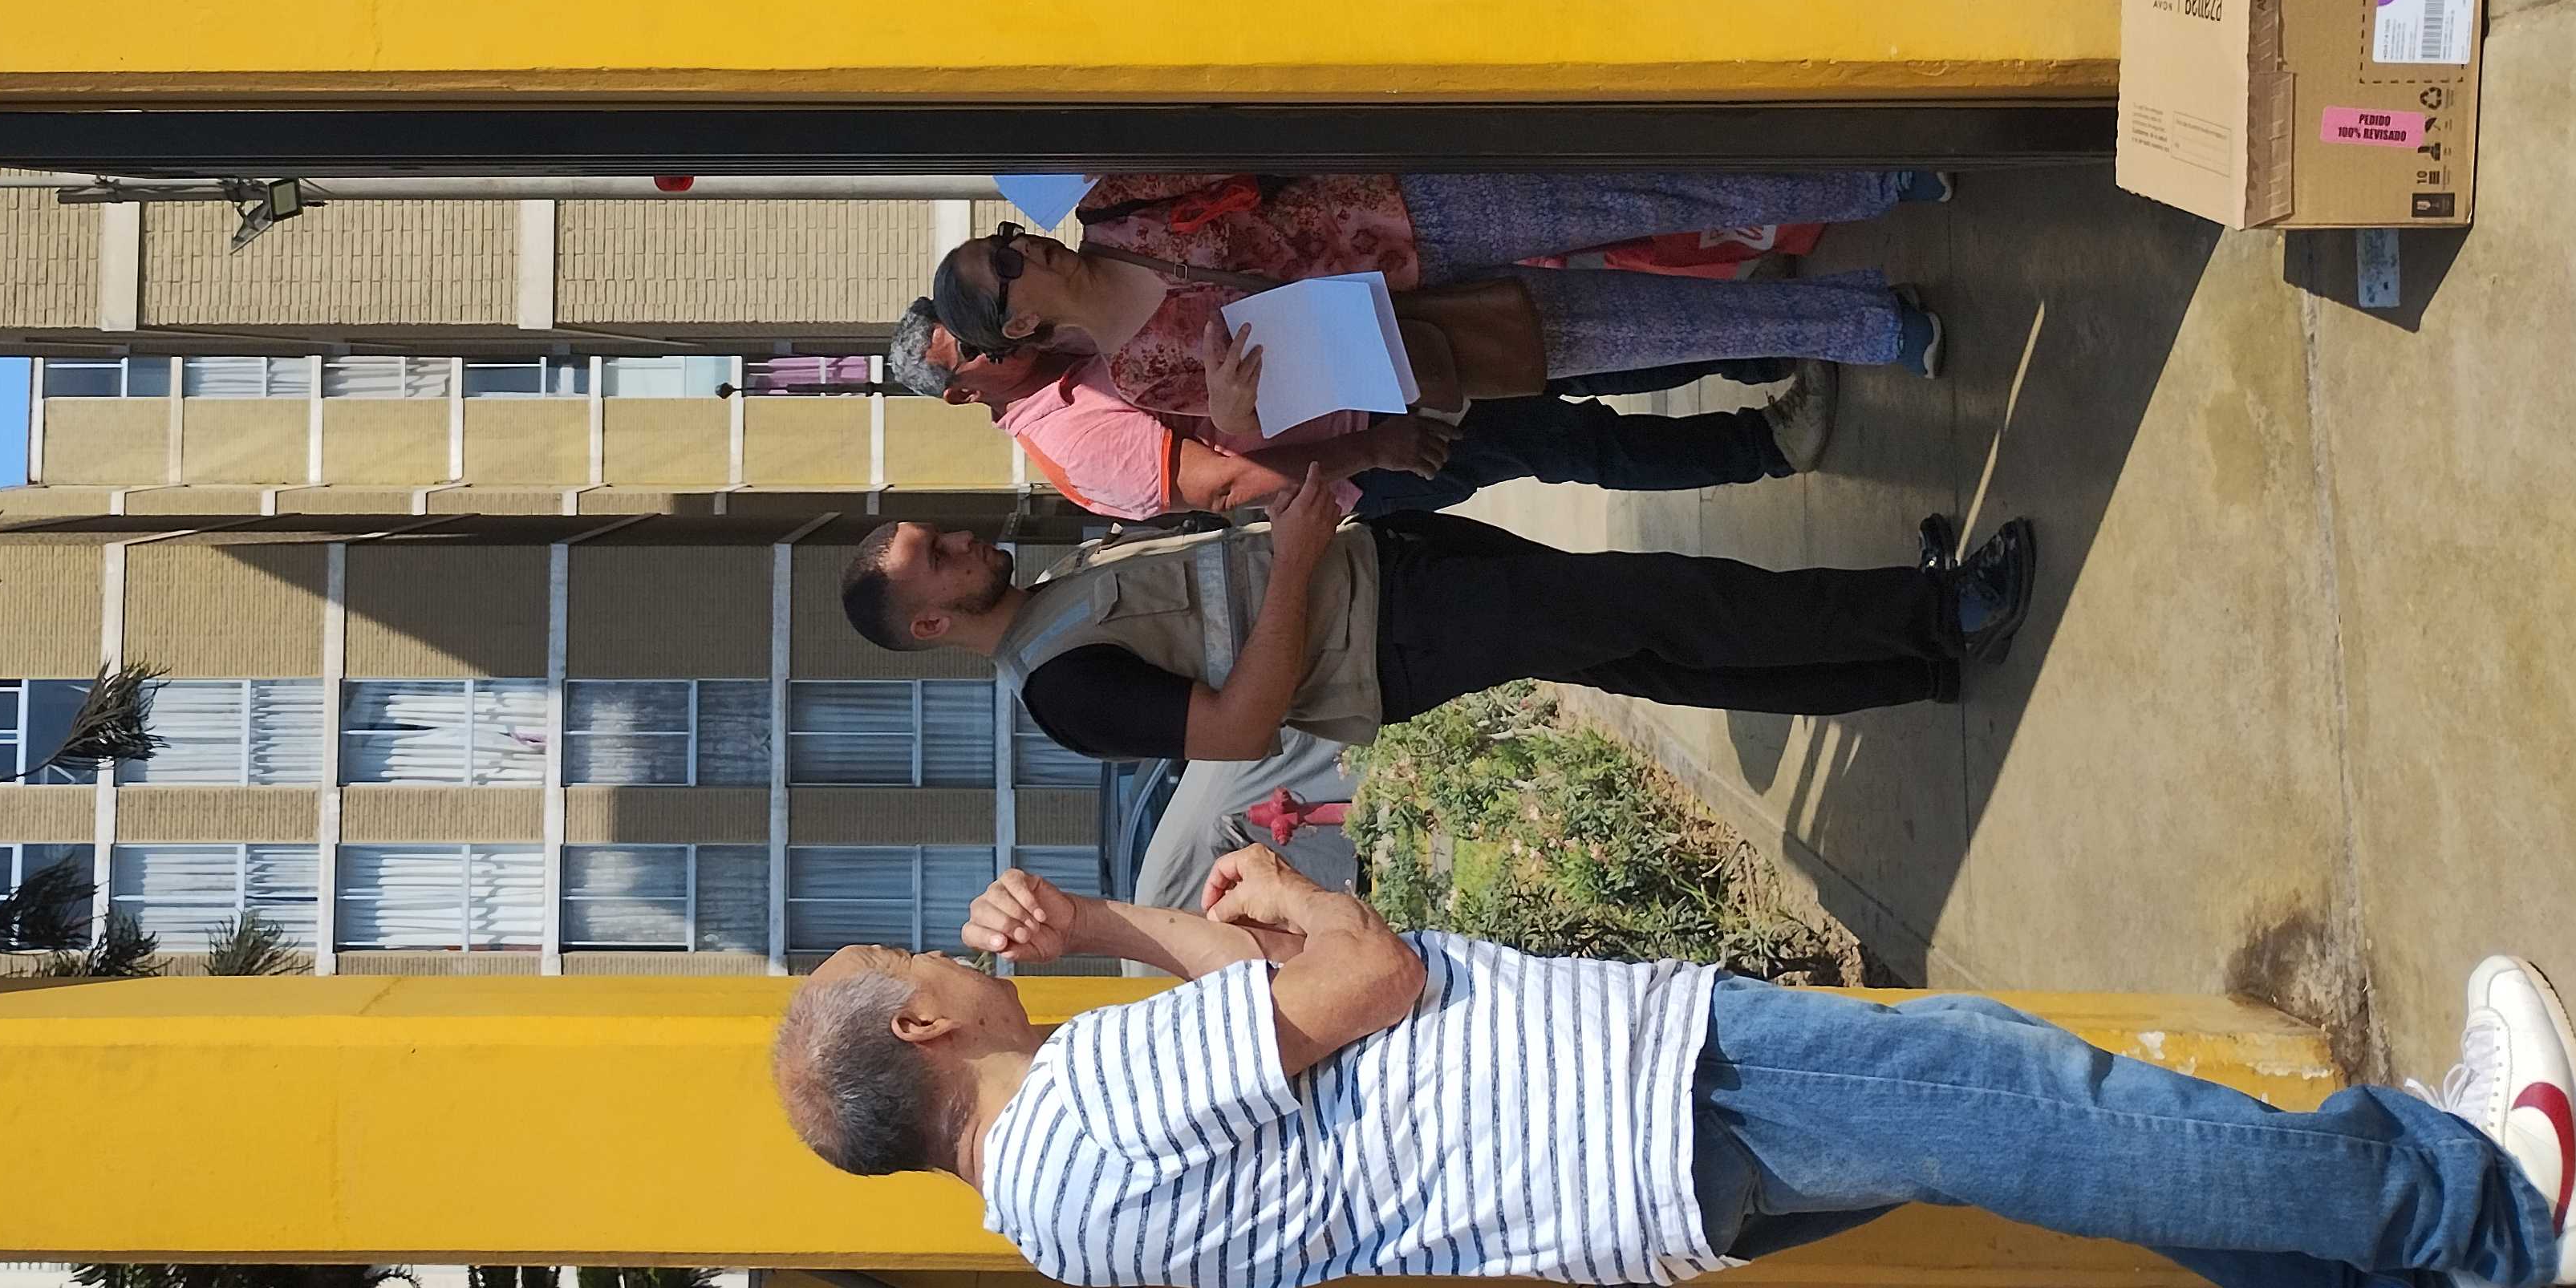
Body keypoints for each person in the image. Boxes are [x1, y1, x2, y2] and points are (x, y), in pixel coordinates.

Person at [769, 846, 2576, 1288]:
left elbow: (1266, 1035)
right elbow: (1361, 977)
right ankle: (2496, 1195)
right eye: (904, 954)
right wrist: (1298, 903)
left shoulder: (1056, 1206)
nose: (939, 946)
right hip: (1645, 1088)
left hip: (1621, 1187)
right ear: (921, 1020)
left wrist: (1117, 923)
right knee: (2047, 1105)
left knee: (2046, 1145)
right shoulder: (1087, 1088)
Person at [840, 464, 2034, 760]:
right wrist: (1297, 563)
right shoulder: (1060, 689)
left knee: (1652, 641)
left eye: (937, 531)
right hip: (1400, 633)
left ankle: (1911, 656)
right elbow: (1240, 728)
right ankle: (1940, 613)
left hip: (1400, 575)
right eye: (934, 559)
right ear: (931, 625)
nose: (958, 540)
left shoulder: (1063, 582)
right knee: (1669, 603)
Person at [929, 169, 1948, 435]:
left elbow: (1232, 150)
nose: (1021, 249)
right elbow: (1265, 440)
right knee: (1651, 332)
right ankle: (1869, 326)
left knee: (1645, 197)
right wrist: (1239, 418)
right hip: (1413, 338)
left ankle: (1873, 181)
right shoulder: (1143, 377)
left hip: (1408, 211)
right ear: (1019, 327)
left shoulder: (1115, 208)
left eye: (1006, 237)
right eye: (1003, 268)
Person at [884, 302, 1830, 523]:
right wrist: (1378, 446)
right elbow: (1228, 486)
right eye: (973, 350)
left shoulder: (1060, 335)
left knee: (1556, 359)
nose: (993, 337)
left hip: (1361, 361)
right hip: (1372, 448)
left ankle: (1759, 345)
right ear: (964, 393)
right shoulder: (1068, 438)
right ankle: (1769, 443)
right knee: (1570, 438)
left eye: (980, 326)